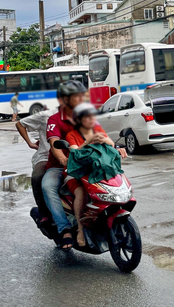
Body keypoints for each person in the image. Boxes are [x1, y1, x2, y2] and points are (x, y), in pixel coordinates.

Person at [64, 103, 126, 247]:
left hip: (97, 170)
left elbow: (112, 146)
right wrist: (87, 142)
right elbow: (75, 155)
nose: (91, 119)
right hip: (76, 173)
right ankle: (80, 229)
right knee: (80, 193)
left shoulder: (98, 130)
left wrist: (105, 140)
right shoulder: (72, 135)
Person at [43, 80, 87, 250]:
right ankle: (64, 228)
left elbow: (100, 134)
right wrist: (62, 159)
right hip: (59, 166)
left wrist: (116, 148)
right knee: (47, 186)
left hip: (83, 164)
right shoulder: (54, 120)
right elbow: (54, 144)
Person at [16, 105, 58, 223]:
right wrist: (30, 143)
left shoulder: (79, 117)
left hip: (68, 156)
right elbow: (20, 124)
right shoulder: (46, 116)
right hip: (46, 156)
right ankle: (44, 213)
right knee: (38, 176)